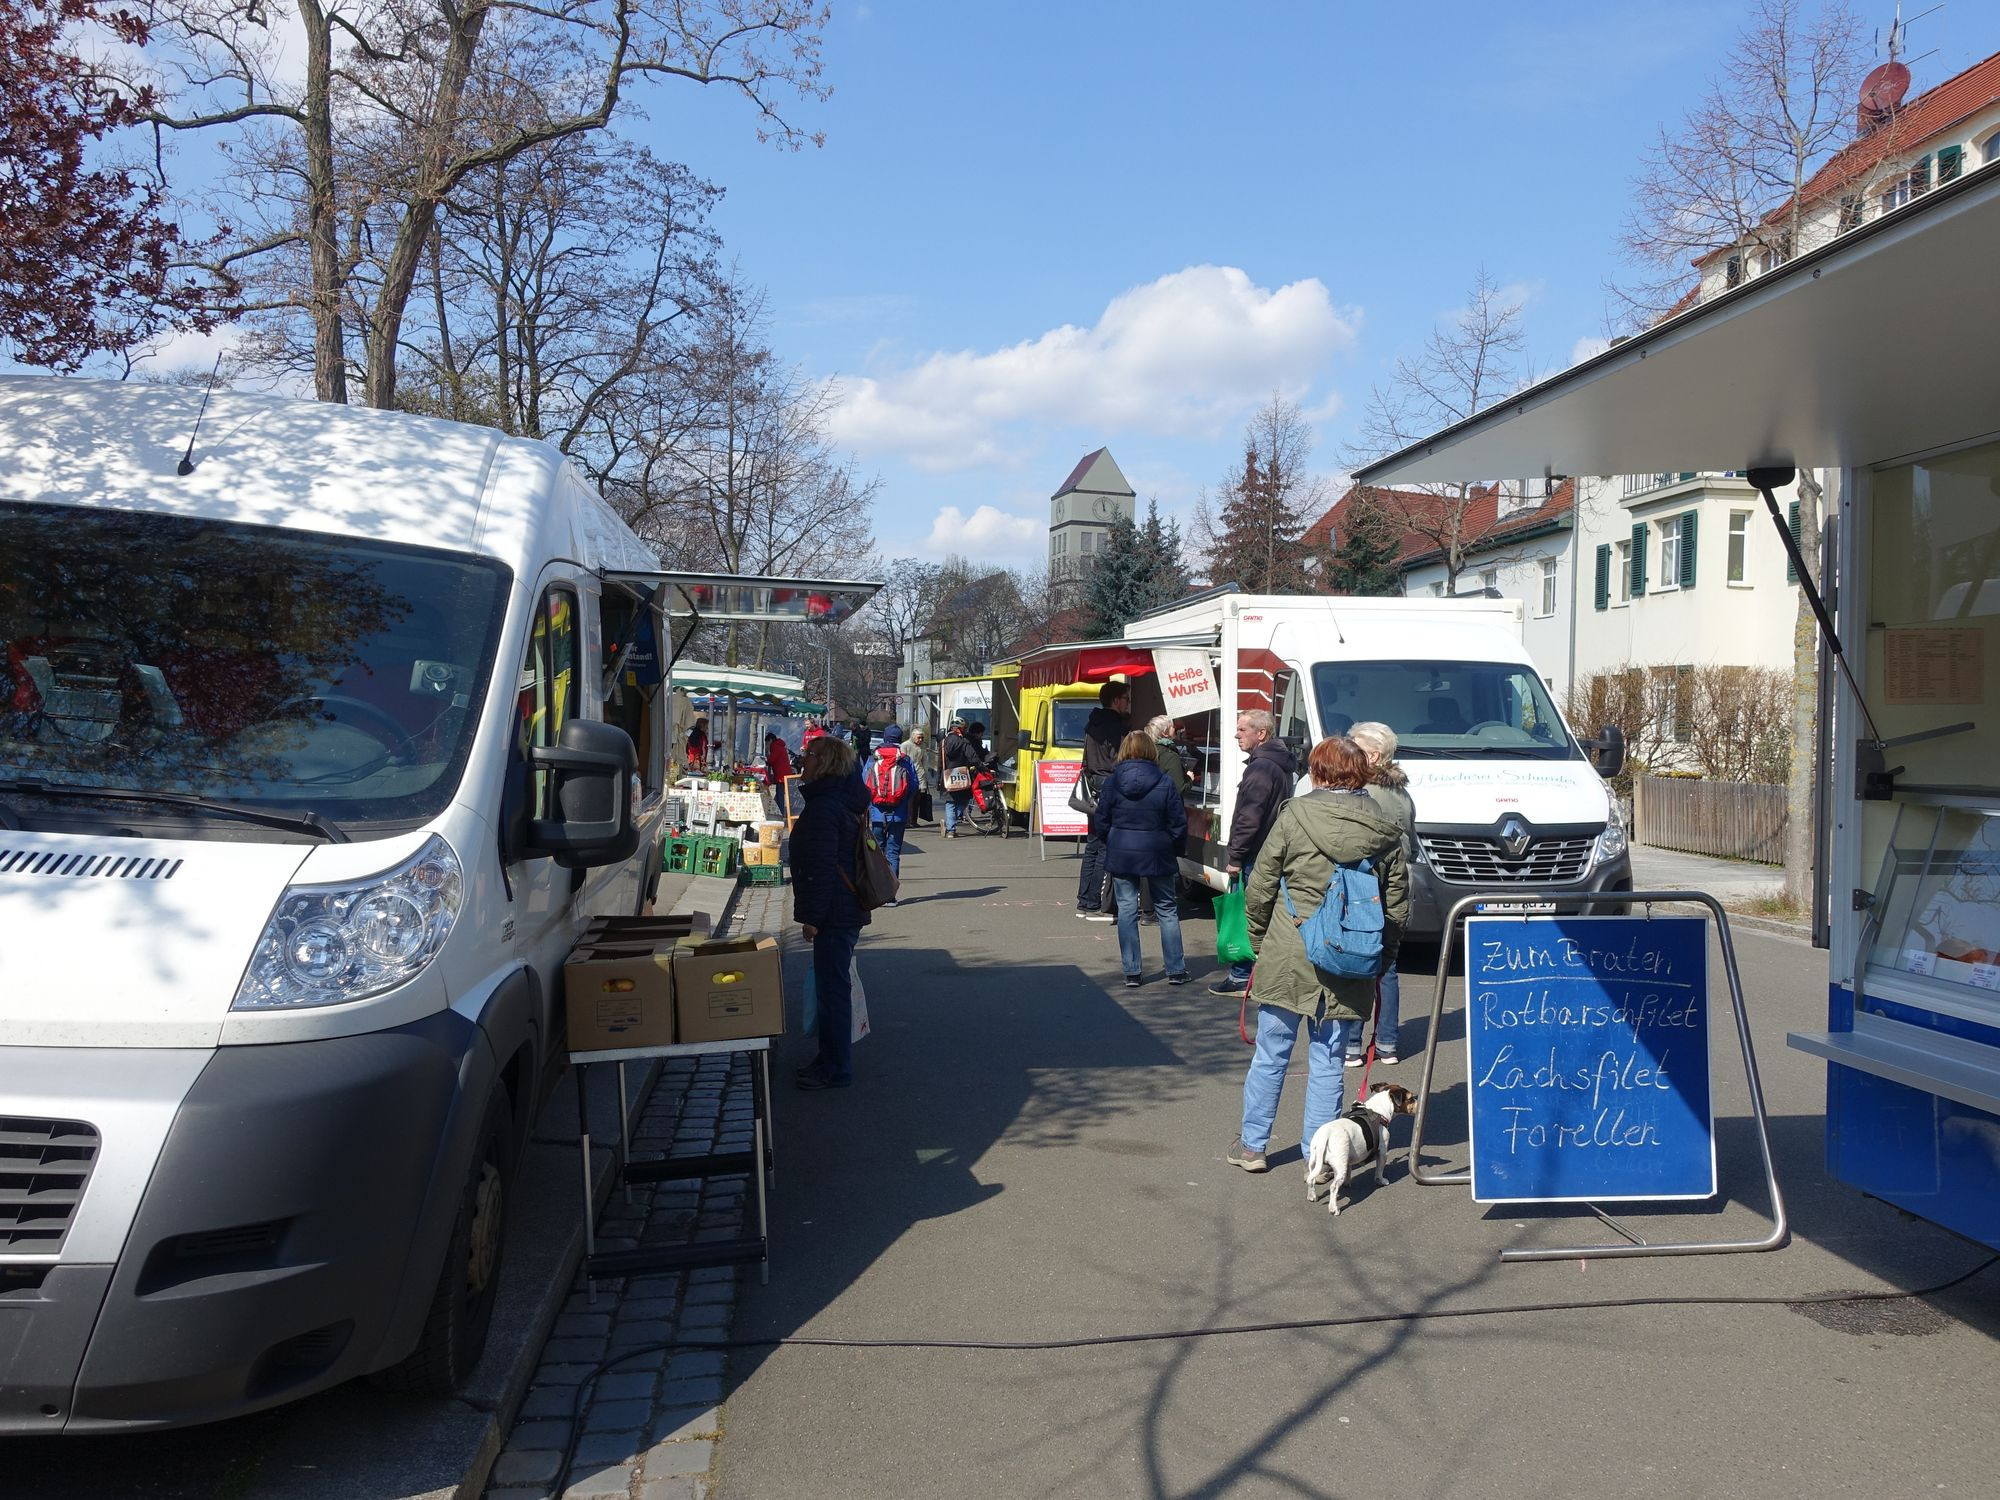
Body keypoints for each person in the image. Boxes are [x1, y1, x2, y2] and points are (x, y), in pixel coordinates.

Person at [1226, 736, 1409, 1172]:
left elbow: (1261, 886)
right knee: (1329, 1061)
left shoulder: (1294, 815)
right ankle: (1319, 1155)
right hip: (1351, 955)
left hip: (1289, 949)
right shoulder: (1384, 827)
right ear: (1362, 772)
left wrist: (1259, 942)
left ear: (1318, 772)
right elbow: (1397, 906)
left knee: (1271, 1053)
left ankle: (1252, 1147)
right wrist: (1381, 960)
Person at [789, 735, 872, 1090]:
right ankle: (829, 1059)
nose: (802, 760)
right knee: (831, 988)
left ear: (824, 762)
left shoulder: (826, 805)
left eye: (808, 754)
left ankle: (836, 1068)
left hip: (835, 911)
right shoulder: (838, 799)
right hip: (843, 906)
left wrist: (813, 918)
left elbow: (822, 868)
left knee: (833, 992)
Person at [1091, 731, 1190, 987]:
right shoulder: (1165, 781)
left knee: (1126, 911)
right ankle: (1176, 970)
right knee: (1167, 910)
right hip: (1158, 849)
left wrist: (1111, 839)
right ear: (1151, 751)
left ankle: (1132, 972)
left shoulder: (1112, 782)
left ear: (1124, 750)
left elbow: (1101, 819)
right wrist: (1175, 847)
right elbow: (1178, 822)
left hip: (1122, 849)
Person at [1210, 709, 1297, 994]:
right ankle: (1260, 975)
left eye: (1242, 729)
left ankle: (1241, 976)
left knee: (1247, 916)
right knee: (1263, 915)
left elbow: (1249, 817)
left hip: (1255, 855)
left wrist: (1235, 856)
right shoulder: (1276, 764)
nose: (1236, 735)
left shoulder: (1261, 768)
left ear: (1261, 734)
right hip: (1268, 852)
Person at [1346, 721, 1416, 1066]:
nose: (1348, 751)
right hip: (1397, 886)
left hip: (1368, 886)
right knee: (1387, 966)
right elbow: (1411, 843)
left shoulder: (1363, 793)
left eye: (1354, 746)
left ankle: (1350, 1043)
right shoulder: (1402, 794)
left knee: (1357, 962)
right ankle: (1387, 1042)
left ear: (1373, 756)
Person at [1075, 681, 1130, 921]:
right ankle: (1095, 903)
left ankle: (1084, 901)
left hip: (1092, 784)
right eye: (1126, 699)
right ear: (1116, 700)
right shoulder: (1115, 725)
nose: (1128, 703)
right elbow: (1119, 758)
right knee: (1105, 846)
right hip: (1109, 784)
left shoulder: (1092, 722)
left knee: (1093, 844)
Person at [862, 723, 918, 892]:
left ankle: (877, 892)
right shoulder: (905, 760)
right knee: (893, 853)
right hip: (898, 814)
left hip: (877, 814)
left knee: (876, 853)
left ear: (885, 737)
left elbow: (863, 784)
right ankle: (891, 894)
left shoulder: (873, 758)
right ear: (900, 739)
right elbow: (913, 786)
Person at [942, 718, 982, 838]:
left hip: (948, 775)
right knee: (964, 800)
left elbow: (940, 761)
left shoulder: (944, 741)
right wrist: (982, 767)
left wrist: (940, 778)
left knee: (950, 802)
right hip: (963, 774)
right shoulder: (964, 741)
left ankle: (951, 830)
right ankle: (953, 821)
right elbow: (973, 757)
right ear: (961, 729)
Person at [1148, 714, 1188, 793]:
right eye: (1172, 727)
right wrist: (1189, 779)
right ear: (1165, 733)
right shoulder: (1171, 756)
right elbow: (1179, 788)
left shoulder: (1147, 750)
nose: (1175, 729)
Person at [765, 731, 794, 817]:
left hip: (781, 775)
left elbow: (771, 760)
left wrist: (768, 755)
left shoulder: (775, 747)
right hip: (784, 772)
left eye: (767, 743)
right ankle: (777, 809)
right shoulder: (780, 746)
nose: (767, 745)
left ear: (770, 740)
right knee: (779, 793)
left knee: (780, 793)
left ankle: (780, 812)